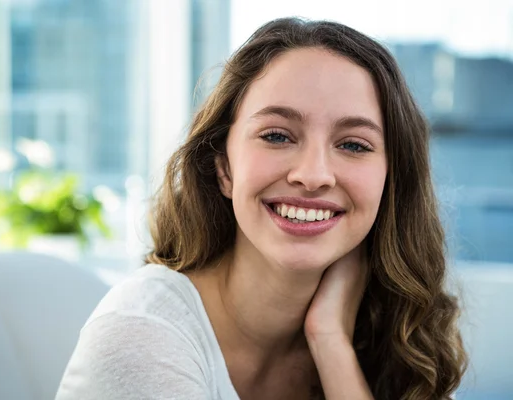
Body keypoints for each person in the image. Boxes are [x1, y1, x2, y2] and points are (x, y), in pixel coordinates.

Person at [55, 18, 467, 399]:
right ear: (224, 169)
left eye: (354, 145)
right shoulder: (142, 339)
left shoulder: (384, 330)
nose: (314, 175)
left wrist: (330, 342)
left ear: (389, 183)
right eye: (277, 136)